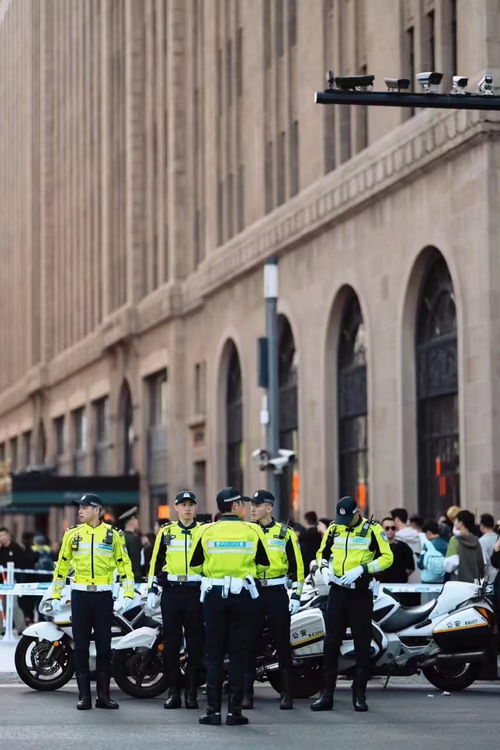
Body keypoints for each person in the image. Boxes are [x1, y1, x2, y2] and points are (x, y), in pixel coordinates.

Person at [189, 487, 270, 726]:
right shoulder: (252, 530)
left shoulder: (206, 530)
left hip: (214, 596)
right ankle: (235, 712)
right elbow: (264, 563)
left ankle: (213, 711)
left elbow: (195, 565)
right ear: (235, 506)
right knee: (238, 654)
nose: (245, 508)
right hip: (243, 596)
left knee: (213, 654)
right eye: (242, 504)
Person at [48, 494, 134, 711]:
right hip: (80, 596)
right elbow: (62, 567)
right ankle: (84, 696)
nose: (80, 511)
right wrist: (55, 595)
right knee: (81, 648)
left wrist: (128, 594)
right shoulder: (72, 534)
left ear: (97, 510)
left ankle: (103, 696)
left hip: (104, 597)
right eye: (80, 507)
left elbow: (124, 565)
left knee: (105, 648)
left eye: (85, 507)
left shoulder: (114, 535)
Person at [311, 497, 393, 713]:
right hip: (337, 592)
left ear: (358, 512)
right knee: (330, 644)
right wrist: (324, 568)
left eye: (348, 517)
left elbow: (387, 558)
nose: (344, 522)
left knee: (362, 644)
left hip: (360, 593)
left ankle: (360, 694)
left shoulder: (372, 529)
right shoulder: (334, 528)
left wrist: (363, 569)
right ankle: (326, 694)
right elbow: (321, 553)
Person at [243, 489, 304, 710]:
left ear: (269, 508)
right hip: (254, 592)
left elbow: (297, 567)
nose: (252, 508)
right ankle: (246, 694)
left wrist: (296, 595)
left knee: (282, 644)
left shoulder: (285, 533)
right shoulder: (248, 531)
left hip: (277, 593)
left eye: (257, 505)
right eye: (251, 504)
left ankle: (287, 694)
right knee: (249, 643)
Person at [146, 491, 204, 710]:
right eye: (183, 504)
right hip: (172, 593)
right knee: (171, 644)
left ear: (195, 507)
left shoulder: (204, 530)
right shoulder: (166, 531)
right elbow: (156, 561)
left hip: (195, 592)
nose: (187, 508)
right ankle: (173, 693)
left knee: (196, 644)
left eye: (191, 504)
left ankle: (191, 693)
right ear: (176, 507)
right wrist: (152, 588)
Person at [444, 510, 484, 583]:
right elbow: (481, 563)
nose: (454, 522)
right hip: (475, 583)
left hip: (459, 582)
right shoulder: (476, 540)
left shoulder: (455, 540)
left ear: (461, 523)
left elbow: (448, 566)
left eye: (456, 520)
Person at [375, 517, 414, 583]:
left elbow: (410, 568)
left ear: (396, 529)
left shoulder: (404, 547)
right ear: (382, 529)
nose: (390, 530)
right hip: (380, 585)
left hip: (398, 586)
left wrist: (400, 576)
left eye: (393, 528)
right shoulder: (375, 546)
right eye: (387, 528)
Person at [390, 508, 421, 581]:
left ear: (397, 519)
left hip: (403, 573)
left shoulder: (396, 538)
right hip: (417, 571)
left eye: (392, 519)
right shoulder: (416, 534)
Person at [118, 506, 143, 583]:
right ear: (132, 520)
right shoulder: (133, 539)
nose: (138, 521)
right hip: (132, 578)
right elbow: (136, 562)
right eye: (136, 519)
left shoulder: (119, 537)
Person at [479, 513, 498, 583]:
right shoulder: (498, 538)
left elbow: (484, 562)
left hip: (489, 577)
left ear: (482, 526)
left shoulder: (481, 541)